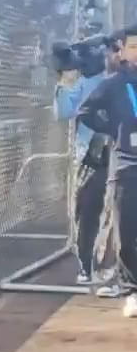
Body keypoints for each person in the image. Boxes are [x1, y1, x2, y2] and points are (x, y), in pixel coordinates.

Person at [79, 25, 137, 318]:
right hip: (127, 166)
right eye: (134, 46)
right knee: (127, 231)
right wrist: (114, 131)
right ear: (123, 50)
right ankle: (131, 290)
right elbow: (85, 112)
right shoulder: (115, 83)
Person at [55, 41, 117, 290]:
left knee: (113, 212)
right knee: (85, 210)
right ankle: (87, 264)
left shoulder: (122, 81)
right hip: (89, 155)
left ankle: (106, 265)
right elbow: (64, 112)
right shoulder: (86, 81)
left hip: (117, 153)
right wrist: (64, 80)